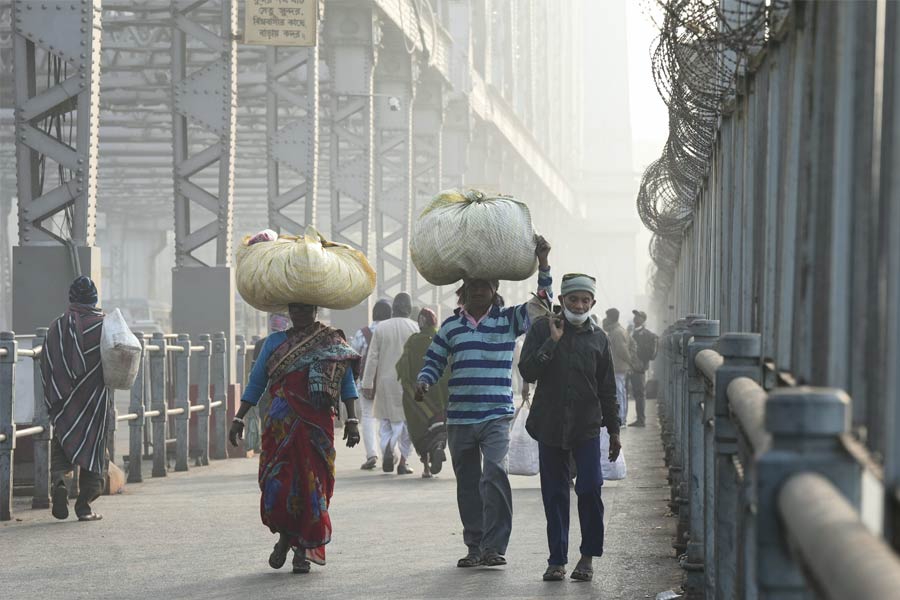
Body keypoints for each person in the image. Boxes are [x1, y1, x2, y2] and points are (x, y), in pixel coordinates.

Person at [415, 236, 553, 569]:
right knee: (467, 484)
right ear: (462, 292)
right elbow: (433, 360)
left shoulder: (508, 320)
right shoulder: (450, 327)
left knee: (493, 473)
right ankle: (474, 545)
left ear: (494, 290)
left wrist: (544, 263)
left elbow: (542, 306)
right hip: (460, 417)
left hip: (496, 415)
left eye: (484, 286)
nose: (478, 291)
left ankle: (495, 546)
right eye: (472, 286)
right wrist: (424, 380)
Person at [229, 303, 361, 574]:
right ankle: (285, 537)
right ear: (288, 311)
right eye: (295, 309)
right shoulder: (274, 343)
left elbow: (346, 382)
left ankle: (301, 550)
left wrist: (353, 419)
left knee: (314, 486)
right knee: (279, 484)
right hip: (281, 424)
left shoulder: (331, 340)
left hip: (316, 425)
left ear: (315, 309)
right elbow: (257, 382)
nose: (300, 313)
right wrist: (239, 417)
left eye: (305, 309)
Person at [519, 273, 622, 582]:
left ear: (593, 303)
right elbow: (528, 371)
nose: (579, 304)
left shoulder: (599, 338)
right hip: (549, 424)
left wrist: (614, 430)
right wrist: (552, 342)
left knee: (590, 488)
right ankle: (557, 559)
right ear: (561, 301)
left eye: (585, 300)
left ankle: (588, 556)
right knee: (554, 494)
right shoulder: (541, 329)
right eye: (573, 299)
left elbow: (607, 388)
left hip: (586, 425)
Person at [41, 276, 109, 522]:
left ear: (71, 298)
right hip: (95, 402)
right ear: (94, 299)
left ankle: (60, 482)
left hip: (63, 403)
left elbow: (46, 365)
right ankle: (84, 506)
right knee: (95, 449)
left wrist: (55, 396)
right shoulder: (104, 326)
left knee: (62, 447)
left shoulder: (55, 327)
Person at [360, 293, 419, 475]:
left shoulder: (382, 328)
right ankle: (402, 461)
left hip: (384, 383)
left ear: (393, 309)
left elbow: (372, 358)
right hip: (407, 383)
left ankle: (388, 447)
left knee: (385, 421)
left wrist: (367, 382)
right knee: (408, 424)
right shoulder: (414, 327)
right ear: (409, 309)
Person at [396, 308, 450, 478]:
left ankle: (426, 467)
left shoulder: (412, 341)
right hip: (439, 394)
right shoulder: (442, 339)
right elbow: (449, 367)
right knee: (439, 425)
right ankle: (439, 447)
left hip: (417, 394)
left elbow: (402, 367)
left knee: (419, 428)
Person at [350, 299, 393, 469]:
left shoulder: (363, 333)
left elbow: (353, 357)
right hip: (388, 383)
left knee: (367, 417)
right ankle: (389, 451)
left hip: (366, 383)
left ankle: (371, 455)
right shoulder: (391, 332)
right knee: (388, 418)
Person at [602, 308, 635, 428]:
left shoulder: (616, 332)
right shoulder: (620, 330)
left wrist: (629, 362)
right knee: (621, 392)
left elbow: (622, 350)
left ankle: (621, 419)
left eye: (606, 317)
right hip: (620, 366)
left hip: (618, 367)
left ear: (610, 318)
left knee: (619, 393)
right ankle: (622, 418)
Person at [628, 310, 658, 427]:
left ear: (643, 319)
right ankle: (638, 418)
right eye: (635, 316)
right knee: (635, 393)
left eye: (638, 316)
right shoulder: (630, 331)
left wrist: (641, 361)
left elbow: (650, 353)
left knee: (639, 393)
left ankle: (641, 419)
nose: (635, 318)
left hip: (639, 368)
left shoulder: (647, 335)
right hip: (629, 366)